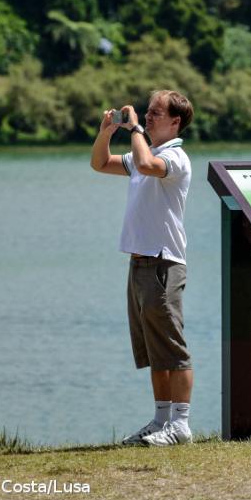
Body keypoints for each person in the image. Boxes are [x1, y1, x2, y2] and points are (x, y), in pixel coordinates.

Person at [90, 89, 196, 446]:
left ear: (175, 121)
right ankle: (161, 420)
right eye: (147, 113)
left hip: (164, 261)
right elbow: (100, 164)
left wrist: (134, 130)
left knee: (172, 345)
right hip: (139, 262)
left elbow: (149, 166)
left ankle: (181, 424)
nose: (148, 118)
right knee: (153, 349)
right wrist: (107, 131)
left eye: (155, 114)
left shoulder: (176, 157)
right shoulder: (144, 153)